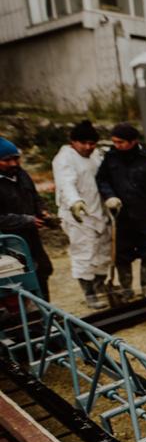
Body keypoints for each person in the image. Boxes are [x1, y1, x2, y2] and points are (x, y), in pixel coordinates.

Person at [96, 122, 146, 300]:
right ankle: (126, 289)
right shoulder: (111, 158)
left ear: (133, 141)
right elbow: (102, 179)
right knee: (121, 255)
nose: (117, 146)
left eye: (121, 142)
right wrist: (109, 196)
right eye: (114, 142)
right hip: (121, 217)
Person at [52, 120, 110, 309]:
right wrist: (75, 202)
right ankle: (89, 294)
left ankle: (100, 287)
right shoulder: (64, 159)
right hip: (78, 216)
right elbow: (66, 183)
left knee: (103, 252)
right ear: (73, 142)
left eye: (91, 143)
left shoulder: (95, 156)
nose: (87, 147)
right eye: (83, 143)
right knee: (84, 253)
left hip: (99, 212)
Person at [0, 137, 53, 299]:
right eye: (6, 160)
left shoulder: (21, 174)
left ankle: (47, 312)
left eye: (16, 158)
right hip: (8, 242)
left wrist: (42, 211)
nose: (13, 164)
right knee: (20, 277)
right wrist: (26, 220)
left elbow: (35, 197)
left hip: (31, 236)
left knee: (43, 269)